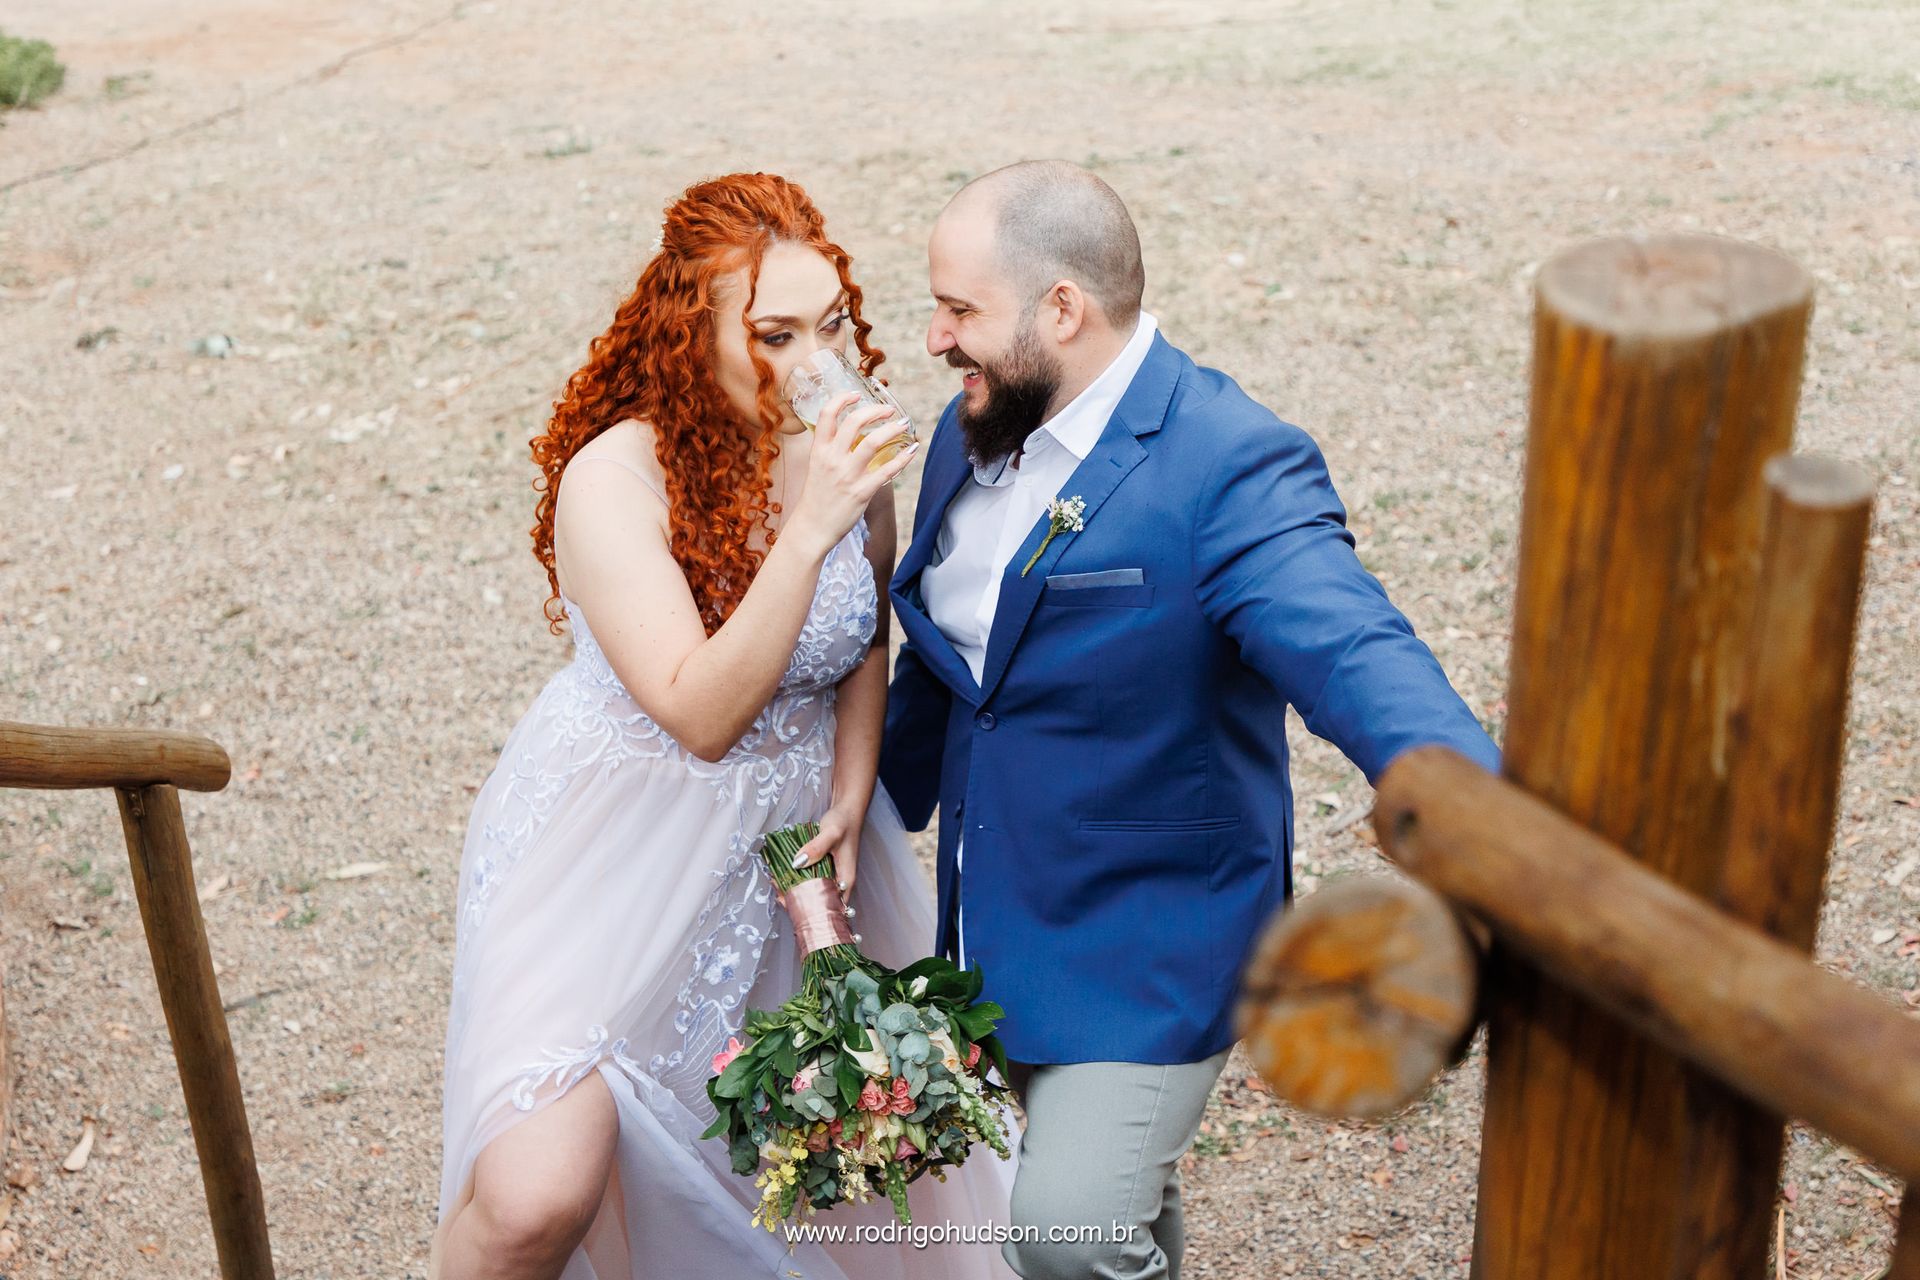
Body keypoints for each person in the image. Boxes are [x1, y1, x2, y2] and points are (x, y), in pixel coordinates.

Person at [880, 160, 1502, 1280]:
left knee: (1066, 1231)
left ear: (1060, 308)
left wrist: (1477, 809)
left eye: (959, 308)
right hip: (996, 916)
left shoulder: (1226, 464)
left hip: (1150, 935)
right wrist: (857, 809)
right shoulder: (971, 426)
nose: (932, 338)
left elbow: (1352, 646)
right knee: (1118, 1207)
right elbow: (951, 659)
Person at [432, 172, 1017, 1280]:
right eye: (774, 334)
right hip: (613, 846)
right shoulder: (618, 477)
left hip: (791, 845)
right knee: (535, 1194)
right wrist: (808, 527)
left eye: (831, 323)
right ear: (689, 336)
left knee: (796, 1178)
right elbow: (699, 712)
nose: (814, 362)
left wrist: (853, 786)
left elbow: (865, 629)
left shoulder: (846, 443)